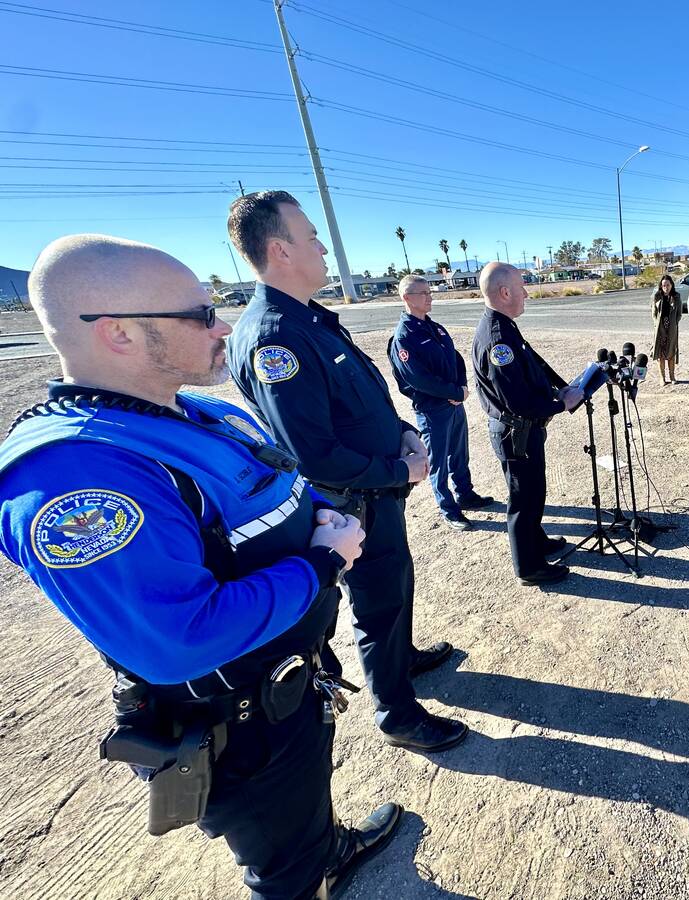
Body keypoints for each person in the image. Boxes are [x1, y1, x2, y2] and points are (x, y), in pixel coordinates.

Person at [0, 234, 398, 900]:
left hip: (288, 683)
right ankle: (307, 866)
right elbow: (177, 637)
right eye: (200, 314)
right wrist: (322, 563)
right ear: (120, 333)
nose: (223, 327)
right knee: (282, 867)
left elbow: (277, 492)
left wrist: (321, 518)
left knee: (302, 810)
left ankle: (326, 847)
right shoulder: (80, 477)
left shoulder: (192, 411)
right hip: (241, 722)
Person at [225, 191, 467, 753]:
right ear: (281, 250)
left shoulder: (307, 320)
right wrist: (397, 468)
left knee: (394, 585)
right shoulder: (274, 337)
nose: (324, 248)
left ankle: (401, 657)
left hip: (378, 488)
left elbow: (357, 404)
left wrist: (404, 431)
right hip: (355, 499)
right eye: (311, 238)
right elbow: (312, 453)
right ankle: (398, 714)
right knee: (377, 601)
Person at [472, 261, 583, 586]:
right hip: (515, 433)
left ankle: (537, 542)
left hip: (524, 431)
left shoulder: (504, 325)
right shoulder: (497, 339)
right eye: (522, 288)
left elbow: (534, 361)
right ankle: (529, 568)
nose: (526, 294)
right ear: (505, 292)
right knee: (523, 500)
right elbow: (517, 401)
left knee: (535, 493)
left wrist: (561, 386)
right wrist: (561, 404)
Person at [388, 274, 494, 531]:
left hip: (454, 404)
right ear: (406, 298)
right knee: (437, 460)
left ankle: (466, 494)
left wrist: (461, 387)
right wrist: (451, 392)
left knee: (459, 453)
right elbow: (416, 378)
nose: (429, 296)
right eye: (422, 293)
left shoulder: (435, 328)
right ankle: (448, 508)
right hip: (432, 408)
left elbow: (455, 357)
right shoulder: (405, 336)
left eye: (429, 291)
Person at [650, 274, 682, 384]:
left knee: (671, 352)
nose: (666, 287)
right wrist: (658, 325)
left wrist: (673, 323)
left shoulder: (676, 297)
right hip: (660, 328)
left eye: (668, 285)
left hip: (672, 328)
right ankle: (662, 377)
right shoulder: (656, 296)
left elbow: (679, 314)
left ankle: (672, 376)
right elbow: (654, 314)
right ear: (661, 286)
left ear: (671, 285)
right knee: (660, 354)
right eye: (664, 285)